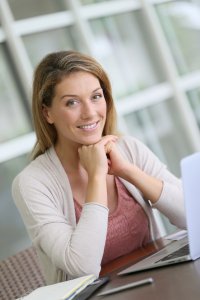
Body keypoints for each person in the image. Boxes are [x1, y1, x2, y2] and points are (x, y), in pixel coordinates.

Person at [12, 50, 186, 285]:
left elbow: (192, 215)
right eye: (72, 102)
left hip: (159, 284)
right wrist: (96, 176)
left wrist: (128, 171)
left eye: (96, 96)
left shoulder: (129, 149)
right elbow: (83, 266)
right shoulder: (32, 183)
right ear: (47, 112)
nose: (90, 113)